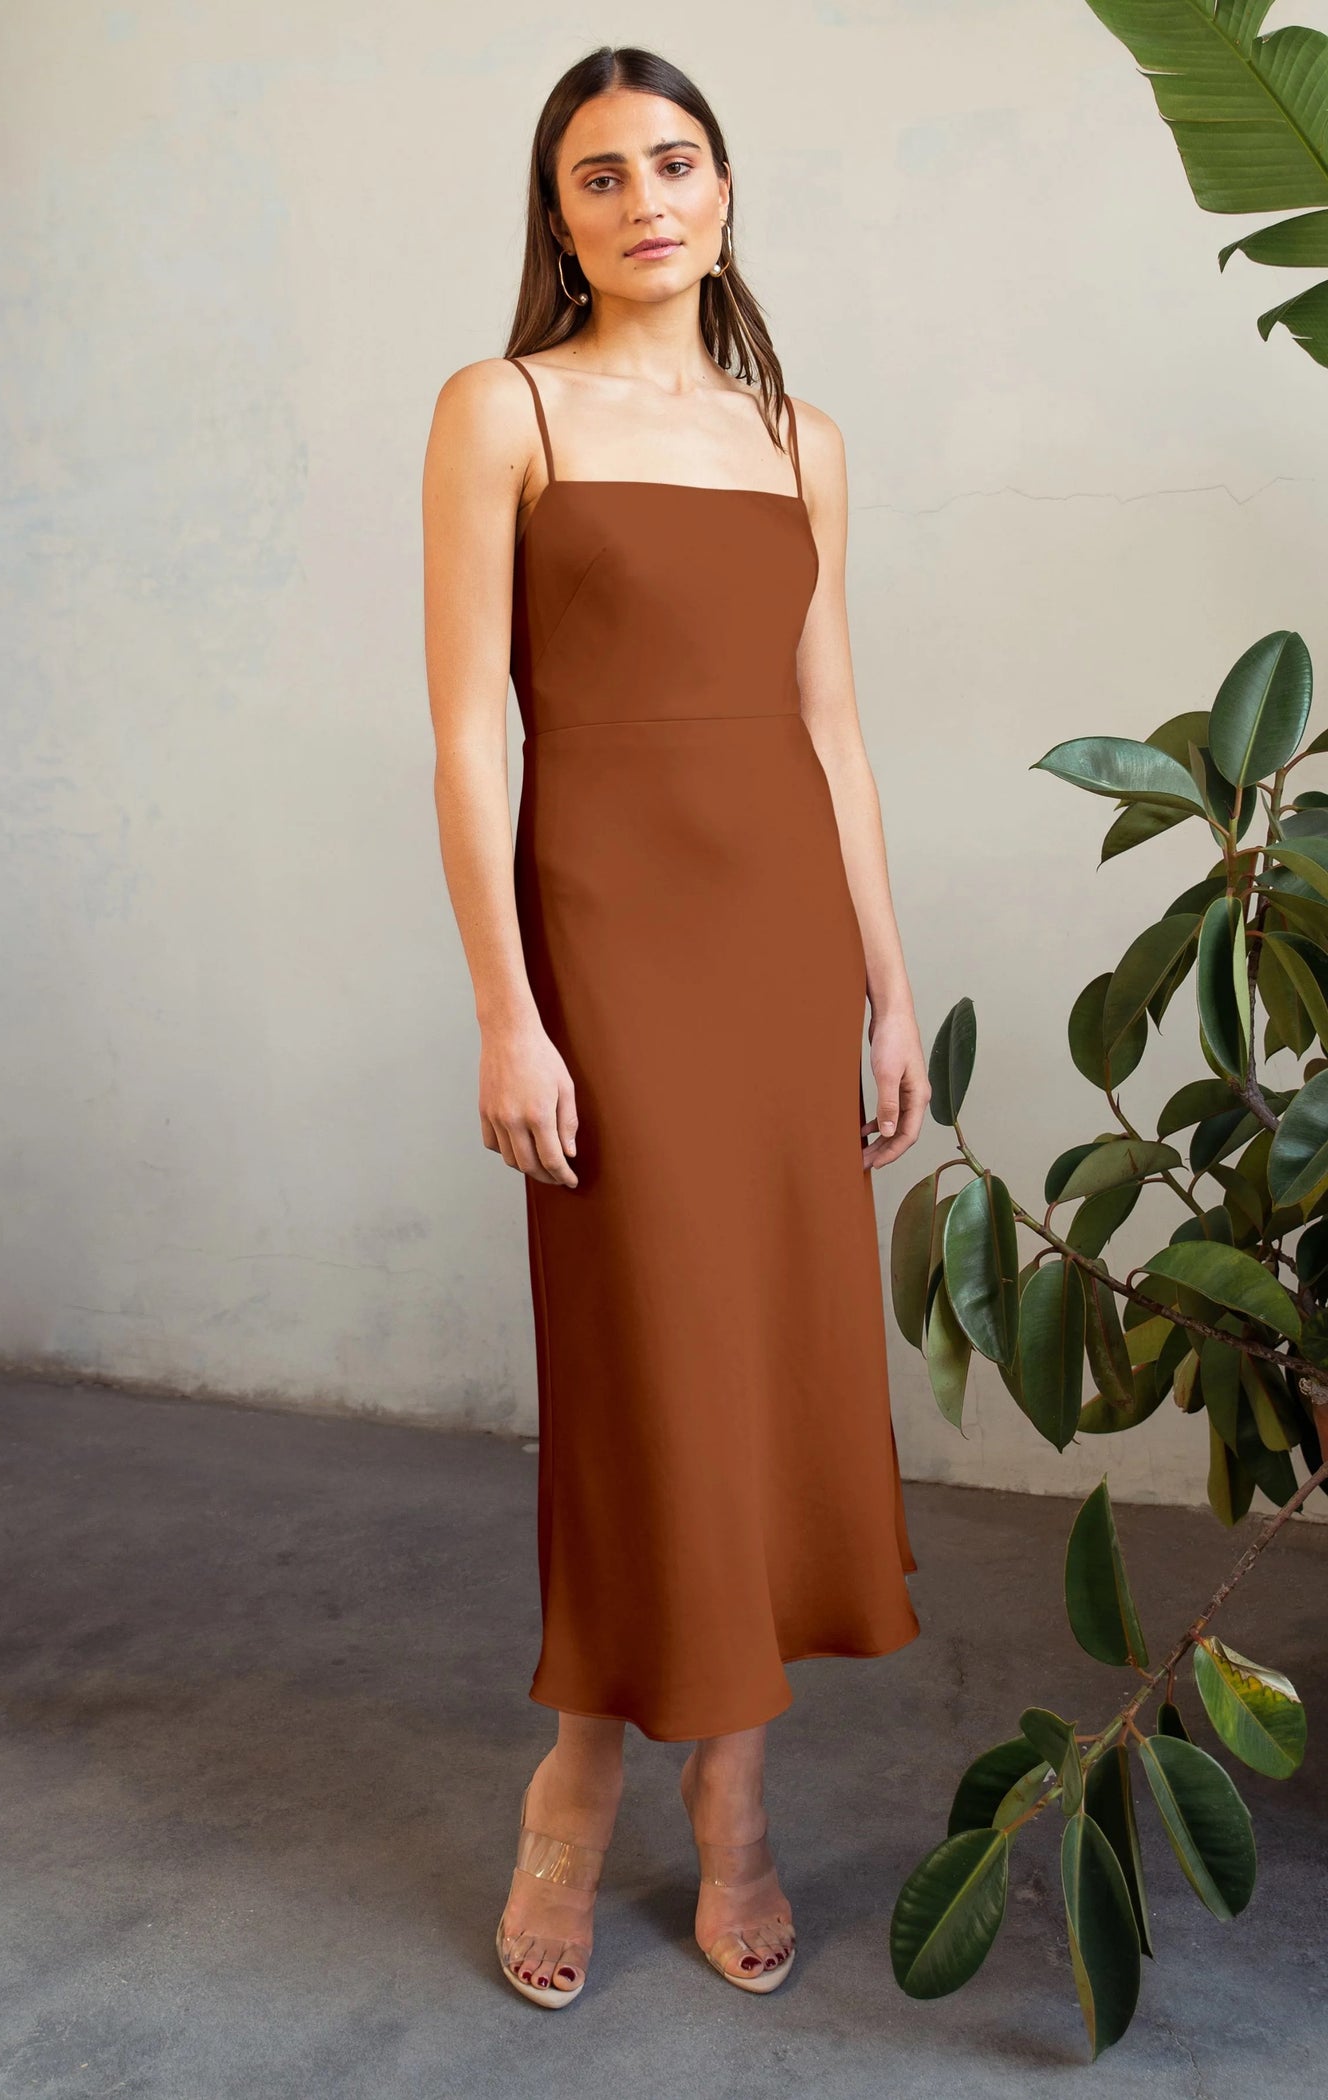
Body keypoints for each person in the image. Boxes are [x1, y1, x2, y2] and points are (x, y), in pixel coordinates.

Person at [422, 44, 930, 2009]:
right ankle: (574, 1778)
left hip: (779, 941)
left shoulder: (798, 436)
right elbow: (472, 727)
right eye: (600, 175)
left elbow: (830, 726)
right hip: (606, 943)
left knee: (779, 1365)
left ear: (725, 191)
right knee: (645, 1370)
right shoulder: (503, 409)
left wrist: (889, 983)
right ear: (557, 220)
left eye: (677, 162)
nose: (646, 198)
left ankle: (734, 1794)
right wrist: (505, 1008)